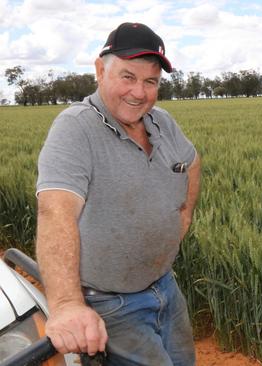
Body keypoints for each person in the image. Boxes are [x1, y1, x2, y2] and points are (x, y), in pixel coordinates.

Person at [35, 22, 201, 365]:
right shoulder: (75, 128)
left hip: (165, 288)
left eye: (150, 81)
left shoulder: (162, 122)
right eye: (128, 76)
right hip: (112, 305)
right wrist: (66, 304)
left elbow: (192, 160)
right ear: (100, 70)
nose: (139, 92)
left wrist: (182, 218)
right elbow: (56, 212)